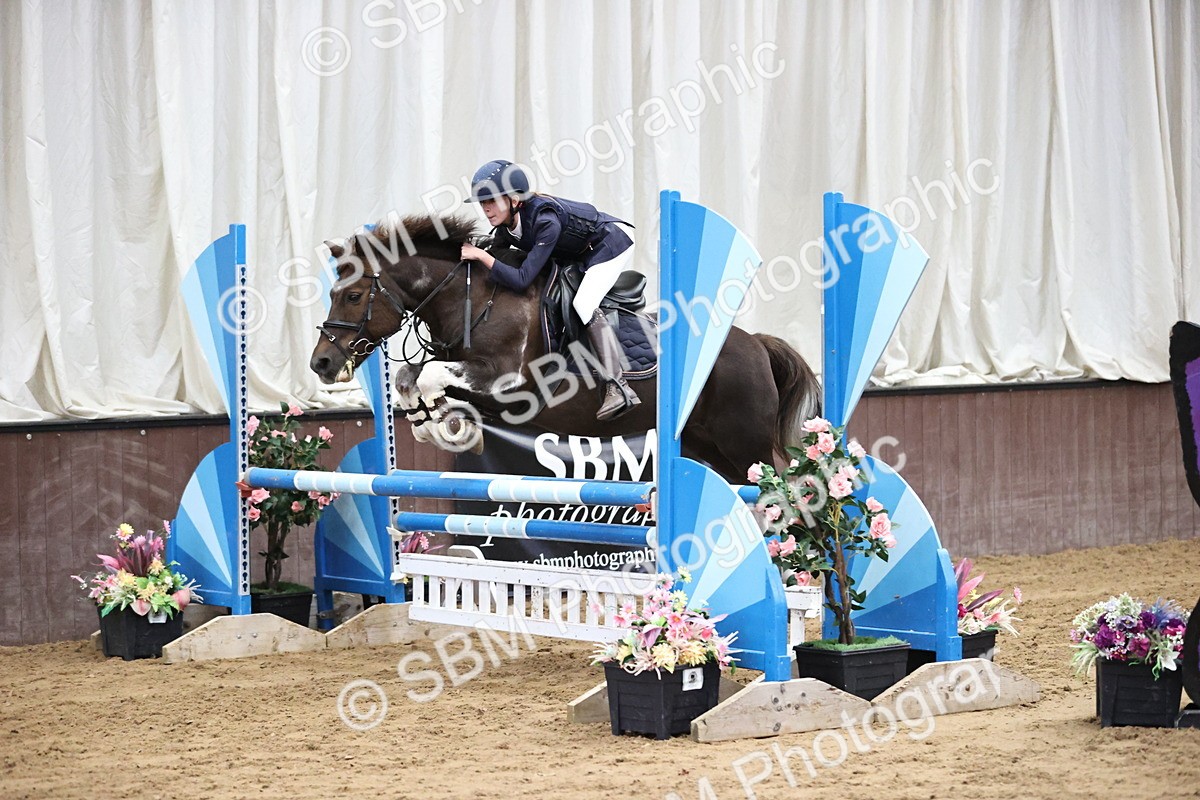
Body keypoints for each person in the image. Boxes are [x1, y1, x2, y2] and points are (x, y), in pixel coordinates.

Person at [460, 159, 641, 421]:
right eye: (483, 203)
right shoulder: (507, 226)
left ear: (513, 199)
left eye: (492, 201)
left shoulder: (546, 220)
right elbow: (496, 253)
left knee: (584, 303)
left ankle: (619, 386)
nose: (486, 209)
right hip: (581, 251)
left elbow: (521, 279)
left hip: (612, 241)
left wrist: (481, 256)